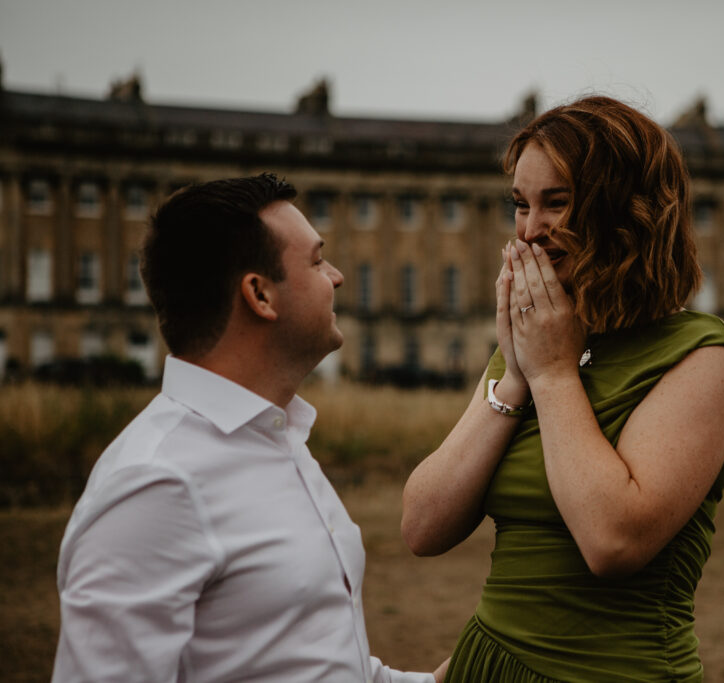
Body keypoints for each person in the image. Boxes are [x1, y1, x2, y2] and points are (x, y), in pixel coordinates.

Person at [401, 97, 724, 682]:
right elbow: (422, 526)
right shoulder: (539, 344)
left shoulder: (706, 357)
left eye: (556, 203)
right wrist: (515, 377)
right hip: (483, 665)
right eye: (520, 204)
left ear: (627, 210)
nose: (530, 230)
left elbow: (613, 541)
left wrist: (552, 375)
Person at [53, 174, 445, 682]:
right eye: (317, 260)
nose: (338, 275)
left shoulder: (281, 438)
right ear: (260, 294)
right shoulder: (155, 481)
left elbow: (307, 664)